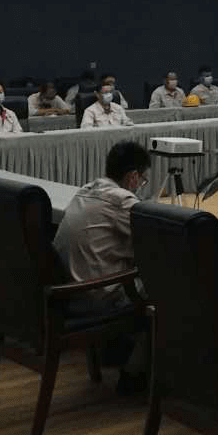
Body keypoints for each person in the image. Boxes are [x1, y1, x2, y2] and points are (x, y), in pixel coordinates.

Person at [54, 140, 151, 391]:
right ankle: (134, 374)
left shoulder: (85, 190)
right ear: (133, 176)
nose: (140, 185)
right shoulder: (121, 200)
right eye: (142, 180)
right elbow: (158, 241)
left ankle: (118, 355)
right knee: (166, 287)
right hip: (96, 299)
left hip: (67, 294)